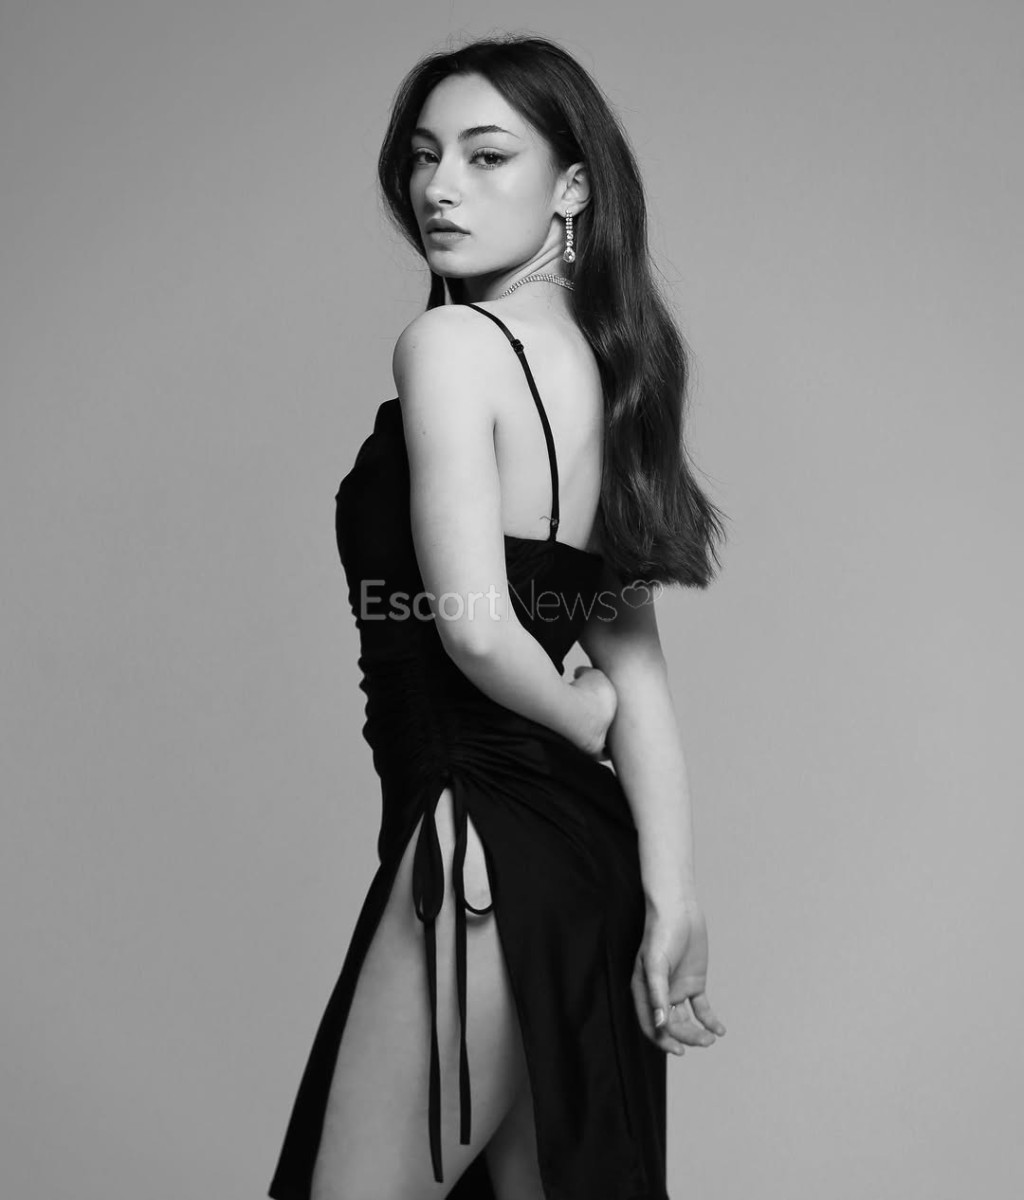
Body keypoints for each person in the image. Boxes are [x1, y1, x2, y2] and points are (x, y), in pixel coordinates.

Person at [269, 33, 728, 1200]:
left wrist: (576, 718)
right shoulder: (616, 372)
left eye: (485, 156)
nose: (440, 187)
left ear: (572, 187)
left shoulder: (448, 344)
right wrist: (671, 895)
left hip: (474, 847)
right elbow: (638, 665)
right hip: (583, 859)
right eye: (424, 156)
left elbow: (473, 627)